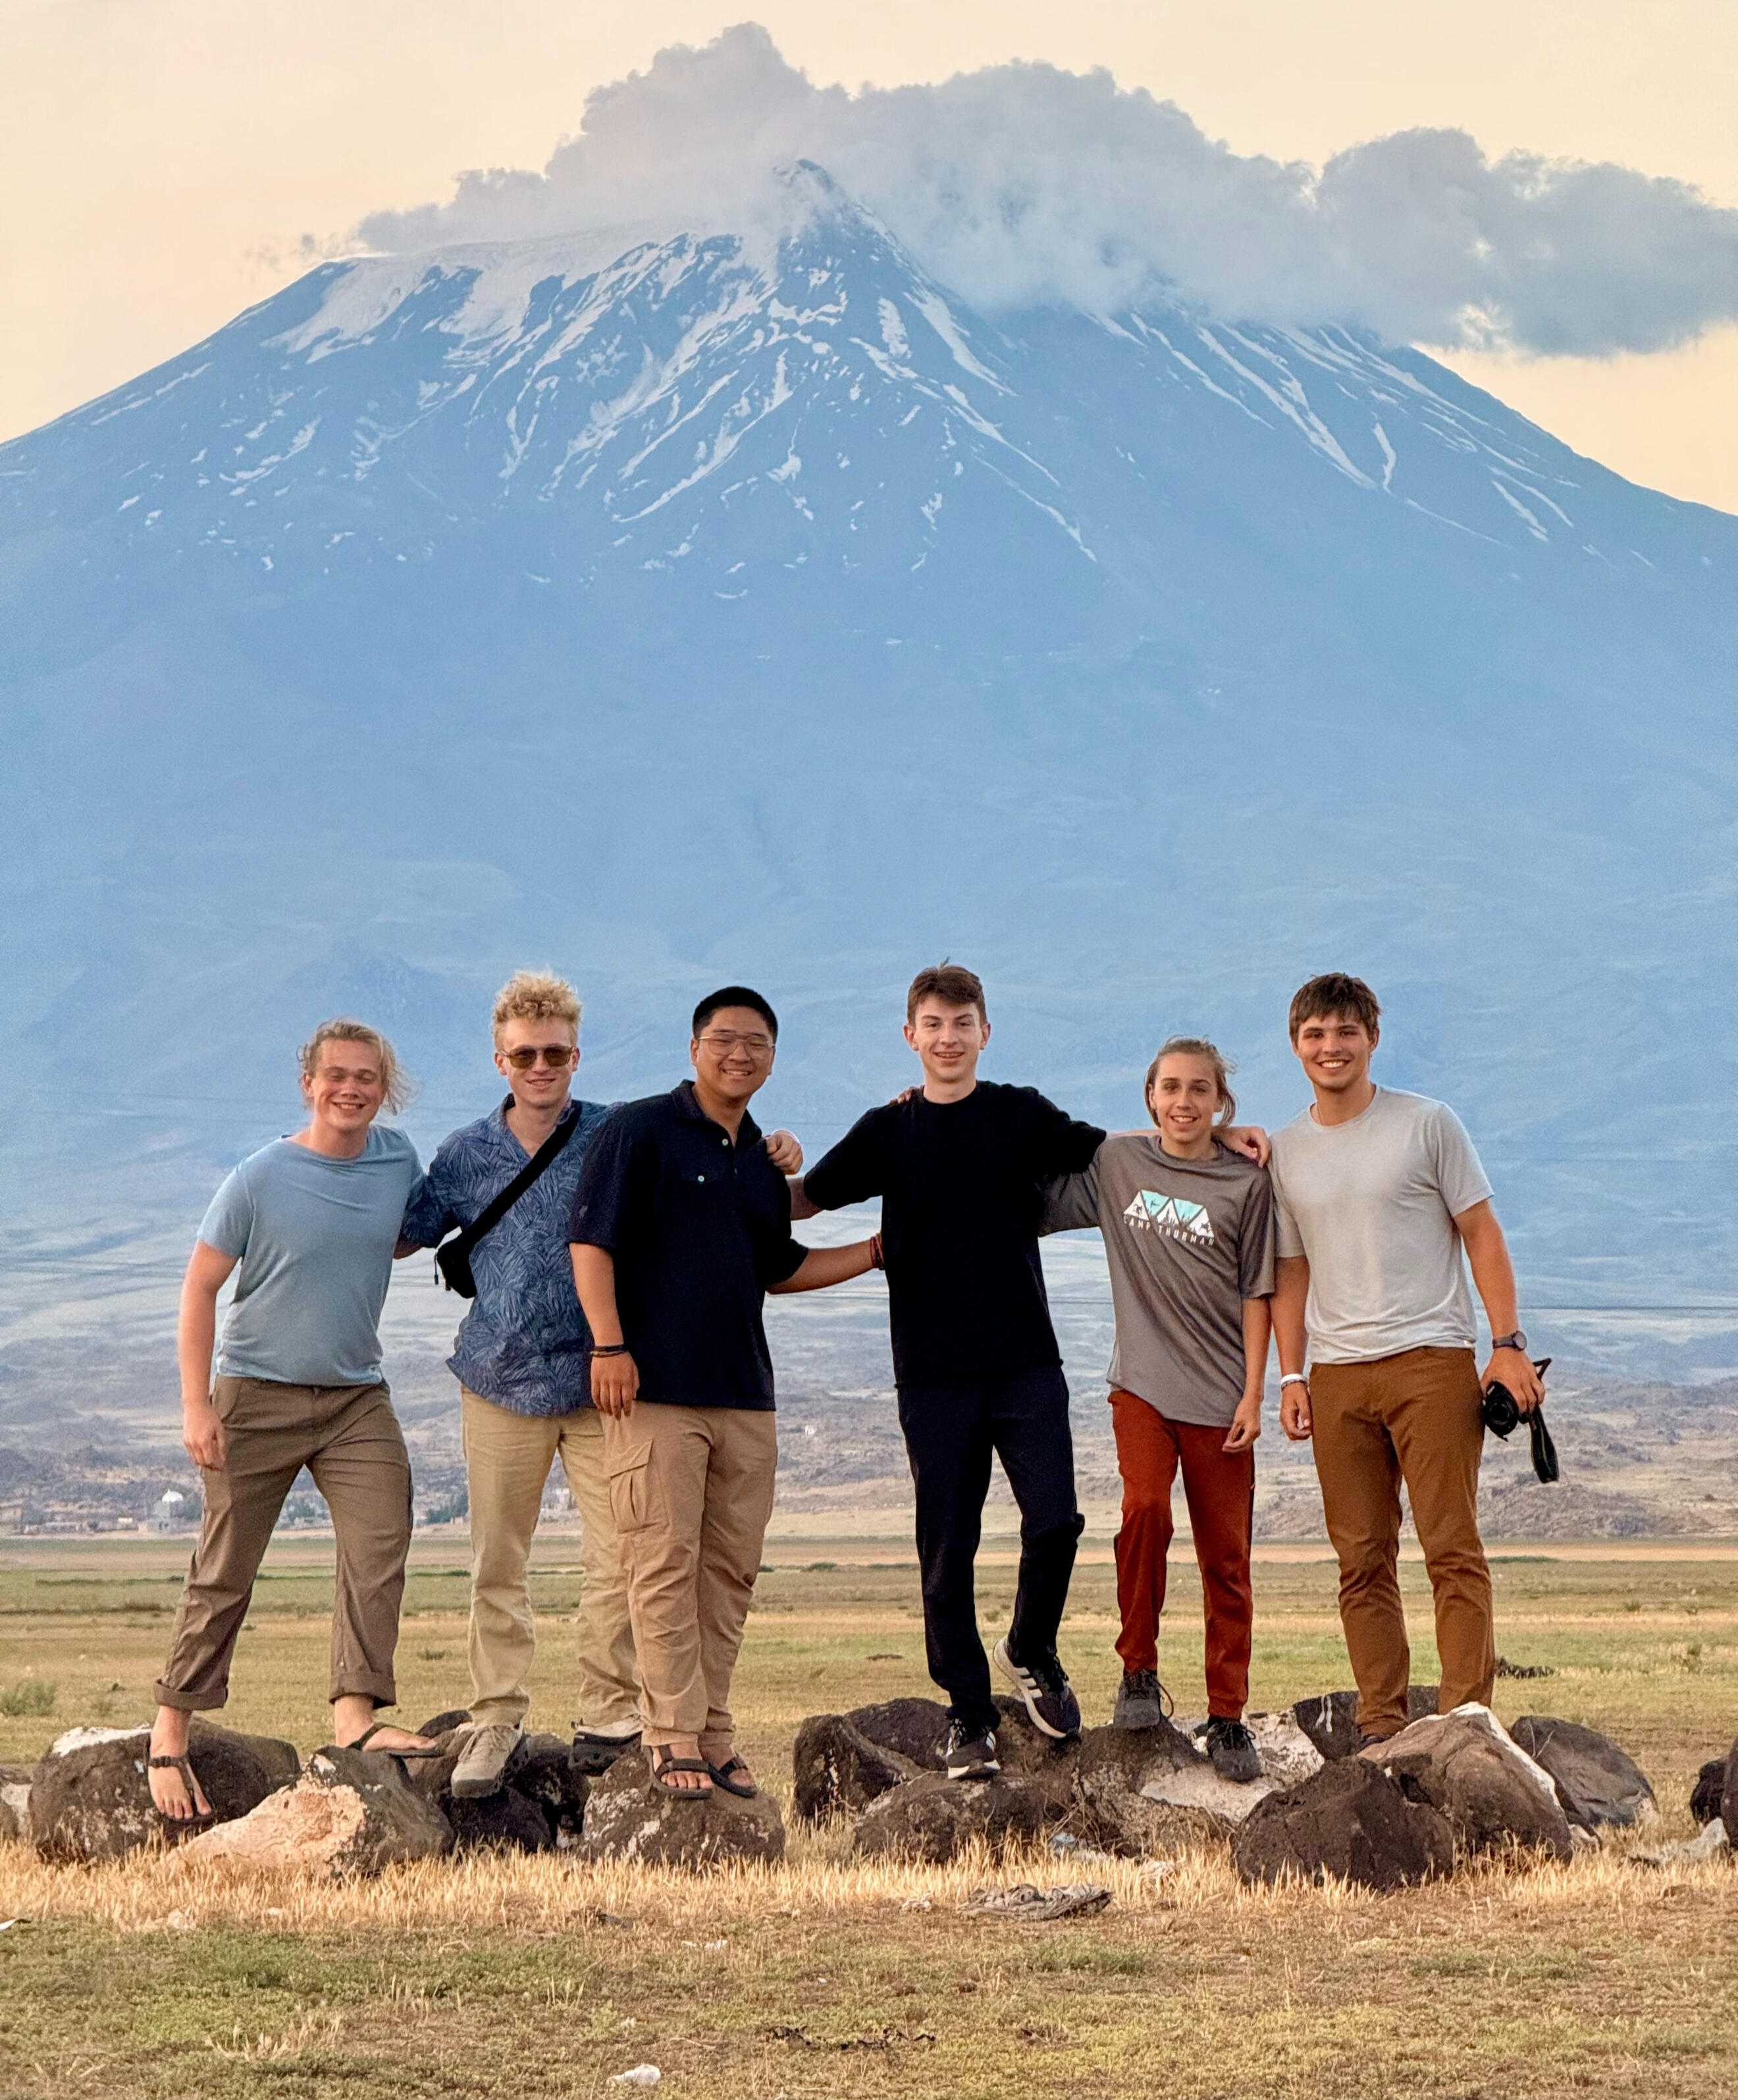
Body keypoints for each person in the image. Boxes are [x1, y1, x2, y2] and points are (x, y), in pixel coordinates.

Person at [791, 963, 1107, 1780]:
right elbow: (803, 1200)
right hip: (931, 1373)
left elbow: (1113, 1157)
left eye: (962, 1023)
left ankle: (1031, 1649)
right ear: (911, 1036)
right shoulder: (887, 1131)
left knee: (1057, 1523)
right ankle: (968, 1717)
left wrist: (1217, 1138)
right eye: (932, 1024)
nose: (947, 1037)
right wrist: (750, 1156)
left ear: (984, 1032)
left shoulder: (1018, 1114)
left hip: (1026, 1362)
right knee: (947, 1547)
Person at [568, 987, 876, 1799]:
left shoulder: (762, 1164)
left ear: (773, 1057)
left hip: (746, 1394)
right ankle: (668, 1734)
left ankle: (713, 1729)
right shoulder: (637, 1130)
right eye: (724, 1040)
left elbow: (780, 1268)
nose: (739, 1055)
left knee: (730, 1571)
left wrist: (876, 1251)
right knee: (661, 1562)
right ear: (695, 1046)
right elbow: (591, 1243)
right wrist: (609, 1344)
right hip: (654, 1390)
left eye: (756, 1044)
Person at [146, 1020, 436, 1824]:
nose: (351, 1088)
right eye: (336, 1075)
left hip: (354, 1399)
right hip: (256, 1395)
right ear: (308, 1083)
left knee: (380, 1540)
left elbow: (406, 1235)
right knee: (226, 1563)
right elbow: (199, 1287)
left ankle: (356, 1720)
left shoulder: (396, 1162)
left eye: (367, 1078)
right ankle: (169, 1731)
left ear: (385, 1088)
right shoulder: (258, 1177)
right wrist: (196, 1404)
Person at [1269, 973, 1545, 1746]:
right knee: (1360, 1559)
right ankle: (1382, 1729)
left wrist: (1508, 1343)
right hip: (1337, 1374)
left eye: (1345, 1032)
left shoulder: (1428, 1124)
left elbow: (1482, 1233)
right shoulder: (1286, 1151)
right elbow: (1291, 1270)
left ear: (1372, 1039)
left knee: (1451, 1547)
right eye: (1316, 1034)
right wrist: (1292, 1374)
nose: (1332, 1047)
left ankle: (1465, 1724)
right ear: (1296, 1046)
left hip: (1432, 1359)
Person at [1041, 1037, 1275, 1781]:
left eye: (1199, 1090)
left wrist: (1253, 1391)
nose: (1184, 1101)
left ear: (1222, 1102)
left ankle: (1228, 1715)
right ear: (1149, 1098)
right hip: (1140, 1385)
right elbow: (1028, 1193)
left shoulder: (1247, 1184)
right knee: (1144, 1511)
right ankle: (1137, 1673)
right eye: (1170, 1088)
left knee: (1226, 1558)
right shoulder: (1118, 1165)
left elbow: (1258, 1293)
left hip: (1219, 1396)